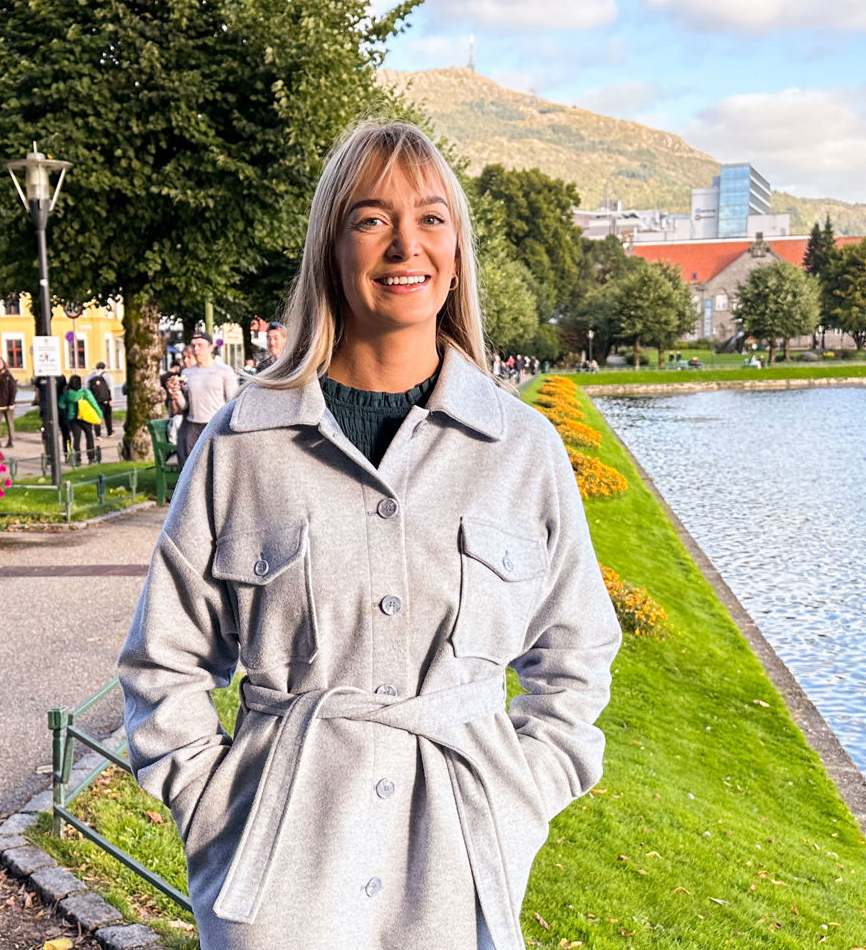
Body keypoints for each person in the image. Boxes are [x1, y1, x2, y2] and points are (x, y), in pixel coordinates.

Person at [117, 119, 622, 950]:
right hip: (280, 880)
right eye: (371, 218)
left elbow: (576, 655)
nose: (404, 245)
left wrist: (519, 797)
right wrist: (214, 813)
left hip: (461, 871)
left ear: (456, 252)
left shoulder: (521, 449)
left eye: (430, 218)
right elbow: (163, 661)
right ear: (331, 249)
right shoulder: (244, 444)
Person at [177, 334, 238, 464]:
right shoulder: (186, 373)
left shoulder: (224, 371)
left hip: (216, 425)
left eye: (200, 345)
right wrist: (176, 394)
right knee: (191, 468)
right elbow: (184, 405)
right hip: (193, 427)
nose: (196, 349)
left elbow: (233, 401)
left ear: (210, 348)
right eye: (194, 345)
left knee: (216, 466)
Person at [61, 373, 103, 464]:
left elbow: (61, 404)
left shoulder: (67, 393)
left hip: (73, 418)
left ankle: (77, 459)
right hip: (85, 417)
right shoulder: (85, 392)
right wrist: (99, 415)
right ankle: (91, 457)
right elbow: (93, 404)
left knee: (77, 438)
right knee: (89, 436)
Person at [87, 361, 115, 436]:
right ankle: (109, 432)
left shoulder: (91, 376)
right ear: (104, 367)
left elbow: (87, 388)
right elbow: (111, 387)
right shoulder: (107, 376)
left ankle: (98, 434)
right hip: (105, 399)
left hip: (95, 399)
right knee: (108, 416)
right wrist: (112, 399)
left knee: (97, 416)